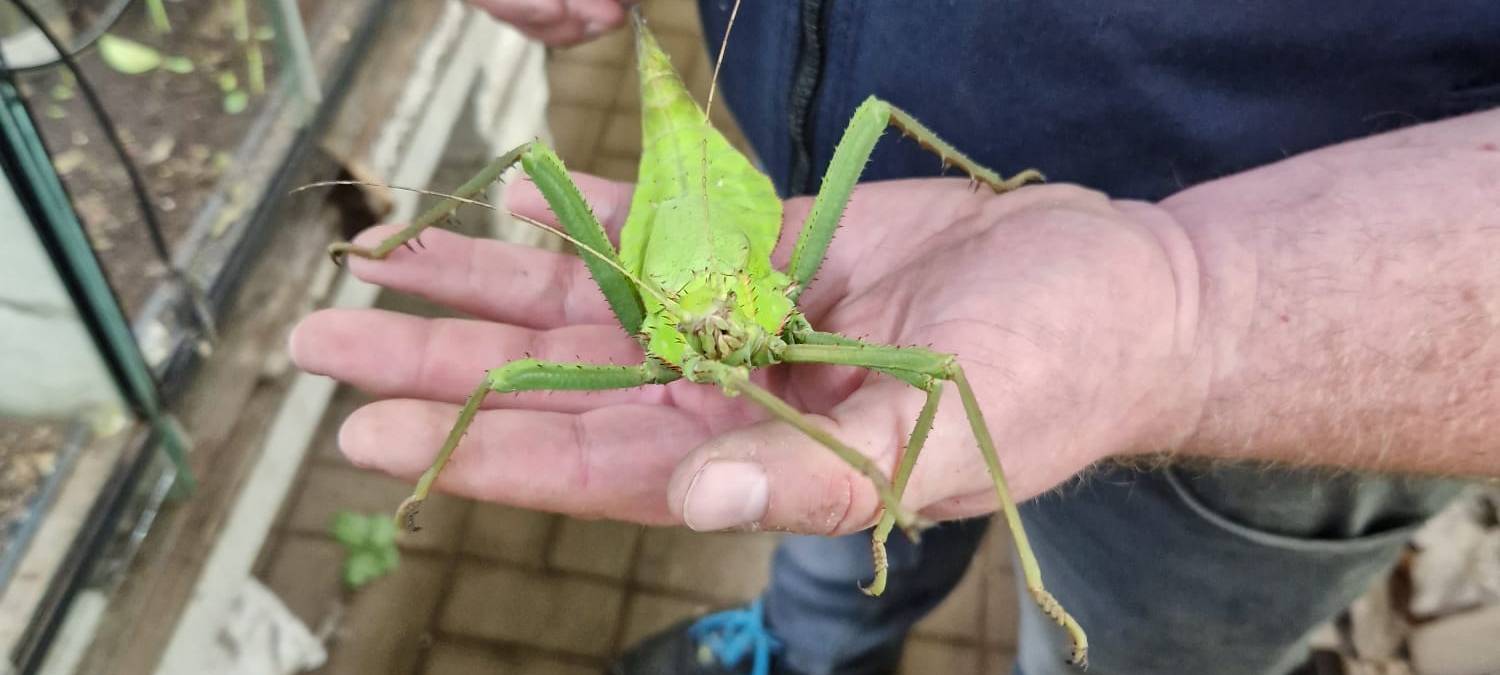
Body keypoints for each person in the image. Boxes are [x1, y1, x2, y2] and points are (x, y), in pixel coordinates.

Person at [289, 2, 1500, 674]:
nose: (717, 359)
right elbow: (666, 356)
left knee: (1136, 639)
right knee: (538, 217)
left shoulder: (800, 302)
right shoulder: (667, 331)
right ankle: (807, 648)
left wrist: (1190, 295)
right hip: (735, 155)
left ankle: (1006, 587)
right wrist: (441, 465)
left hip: (1297, 344)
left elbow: (842, 377)